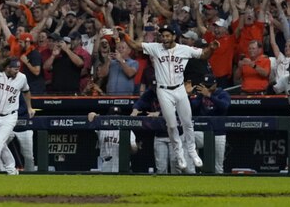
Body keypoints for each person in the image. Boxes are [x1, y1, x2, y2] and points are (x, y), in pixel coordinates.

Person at [124, 25, 218, 171]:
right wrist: (124, 35)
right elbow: (134, 45)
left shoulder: (184, 49)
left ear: (174, 36)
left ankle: (192, 152)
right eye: (163, 35)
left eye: (168, 35)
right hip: (163, 91)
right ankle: (179, 154)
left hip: (180, 88)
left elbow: (204, 55)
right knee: (172, 125)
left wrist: (212, 48)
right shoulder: (156, 47)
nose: (165, 38)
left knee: (187, 122)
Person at [0, 56, 35, 175]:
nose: (17, 71)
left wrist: (29, 107)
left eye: (18, 68)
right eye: (15, 69)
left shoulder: (22, 77)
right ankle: (11, 169)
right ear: (8, 68)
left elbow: (26, 91)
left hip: (9, 116)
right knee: (1, 145)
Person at [189, 74, 231, 174]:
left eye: (209, 86)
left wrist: (209, 95)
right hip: (203, 133)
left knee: (218, 167)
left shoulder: (222, 94)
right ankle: (192, 169)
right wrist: (188, 96)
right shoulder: (201, 94)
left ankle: (219, 187)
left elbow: (224, 106)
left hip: (218, 133)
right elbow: (192, 107)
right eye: (205, 85)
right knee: (188, 137)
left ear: (215, 84)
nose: (206, 88)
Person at [87, 107, 139, 173]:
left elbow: (134, 150)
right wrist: (95, 116)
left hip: (122, 164)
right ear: (108, 116)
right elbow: (90, 116)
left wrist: (130, 147)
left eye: (117, 116)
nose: (115, 117)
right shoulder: (102, 128)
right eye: (113, 115)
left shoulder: (127, 130)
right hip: (106, 164)